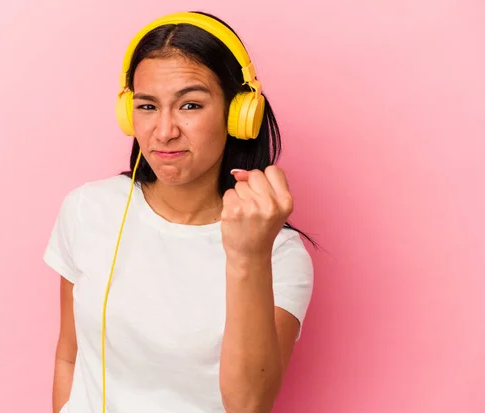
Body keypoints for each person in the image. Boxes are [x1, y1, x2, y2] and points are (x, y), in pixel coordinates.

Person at [43, 10, 314, 413]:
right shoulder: (87, 209)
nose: (164, 131)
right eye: (148, 106)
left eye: (189, 105)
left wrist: (248, 255)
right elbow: (69, 355)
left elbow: (248, 405)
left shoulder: (278, 254)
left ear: (239, 113)